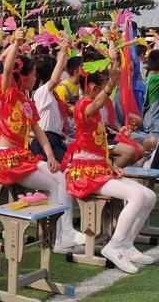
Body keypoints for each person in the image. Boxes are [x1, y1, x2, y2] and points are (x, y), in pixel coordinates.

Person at [0, 29, 84, 254]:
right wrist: (16, 42)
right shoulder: (8, 93)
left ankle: (59, 233)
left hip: (22, 157)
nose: (34, 78)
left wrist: (51, 156)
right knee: (59, 180)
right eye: (32, 75)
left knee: (59, 177)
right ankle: (63, 234)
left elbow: (38, 131)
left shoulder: (28, 102)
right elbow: (6, 69)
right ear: (24, 76)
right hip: (6, 159)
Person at [61, 51, 156, 273]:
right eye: (103, 85)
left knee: (149, 196)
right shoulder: (84, 106)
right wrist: (112, 82)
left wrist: (110, 163)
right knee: (137, 195)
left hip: (99, 169)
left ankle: (127, 244)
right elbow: (96, 105)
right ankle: (115, 246)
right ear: (94, 88)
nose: (108, 91)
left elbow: (98, 145)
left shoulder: (95, 108)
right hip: (85, 174)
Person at [31, 42, 69, 163]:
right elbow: (54, 80)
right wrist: (62, 53)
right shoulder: (41, 92)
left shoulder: (51, 94)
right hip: (46, 141)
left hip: (54, 139)